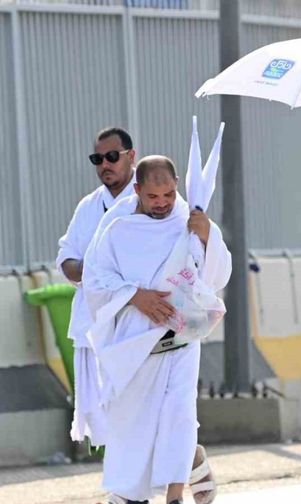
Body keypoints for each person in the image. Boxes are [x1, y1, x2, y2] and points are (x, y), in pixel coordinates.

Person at [84, 156, 229, 504]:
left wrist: (207, 236)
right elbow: (95, 279)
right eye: (153, 196)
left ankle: (175, 495)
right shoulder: (116, 227)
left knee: (179, 416)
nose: (162, 203)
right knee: (136, 428)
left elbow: (217, 275)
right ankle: (132, 494)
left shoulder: (191, 221)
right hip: (135, 345)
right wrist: (136, 296)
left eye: (168, 194)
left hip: (181, 340)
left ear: (177, 184)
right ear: (137, 190)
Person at [56, 126, 137, 446]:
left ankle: (181, 463)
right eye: (98, 158)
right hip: (93, 324)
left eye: (112, 157)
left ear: (131, 156)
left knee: (140, 412)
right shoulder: (88, 206)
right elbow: (66, 259)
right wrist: (93, 272)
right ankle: (128, 492)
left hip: (136, 324)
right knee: (105, 420)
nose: (105, 164)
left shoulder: (152, 199)